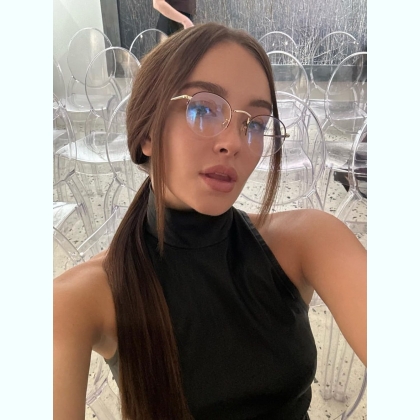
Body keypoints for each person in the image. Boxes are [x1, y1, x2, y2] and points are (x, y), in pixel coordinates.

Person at [54, 23, 367, 420]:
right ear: (147, 133)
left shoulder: (310, 241)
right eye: (202, 109)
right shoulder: (82, 299)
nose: (234, 142)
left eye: (255, 123)